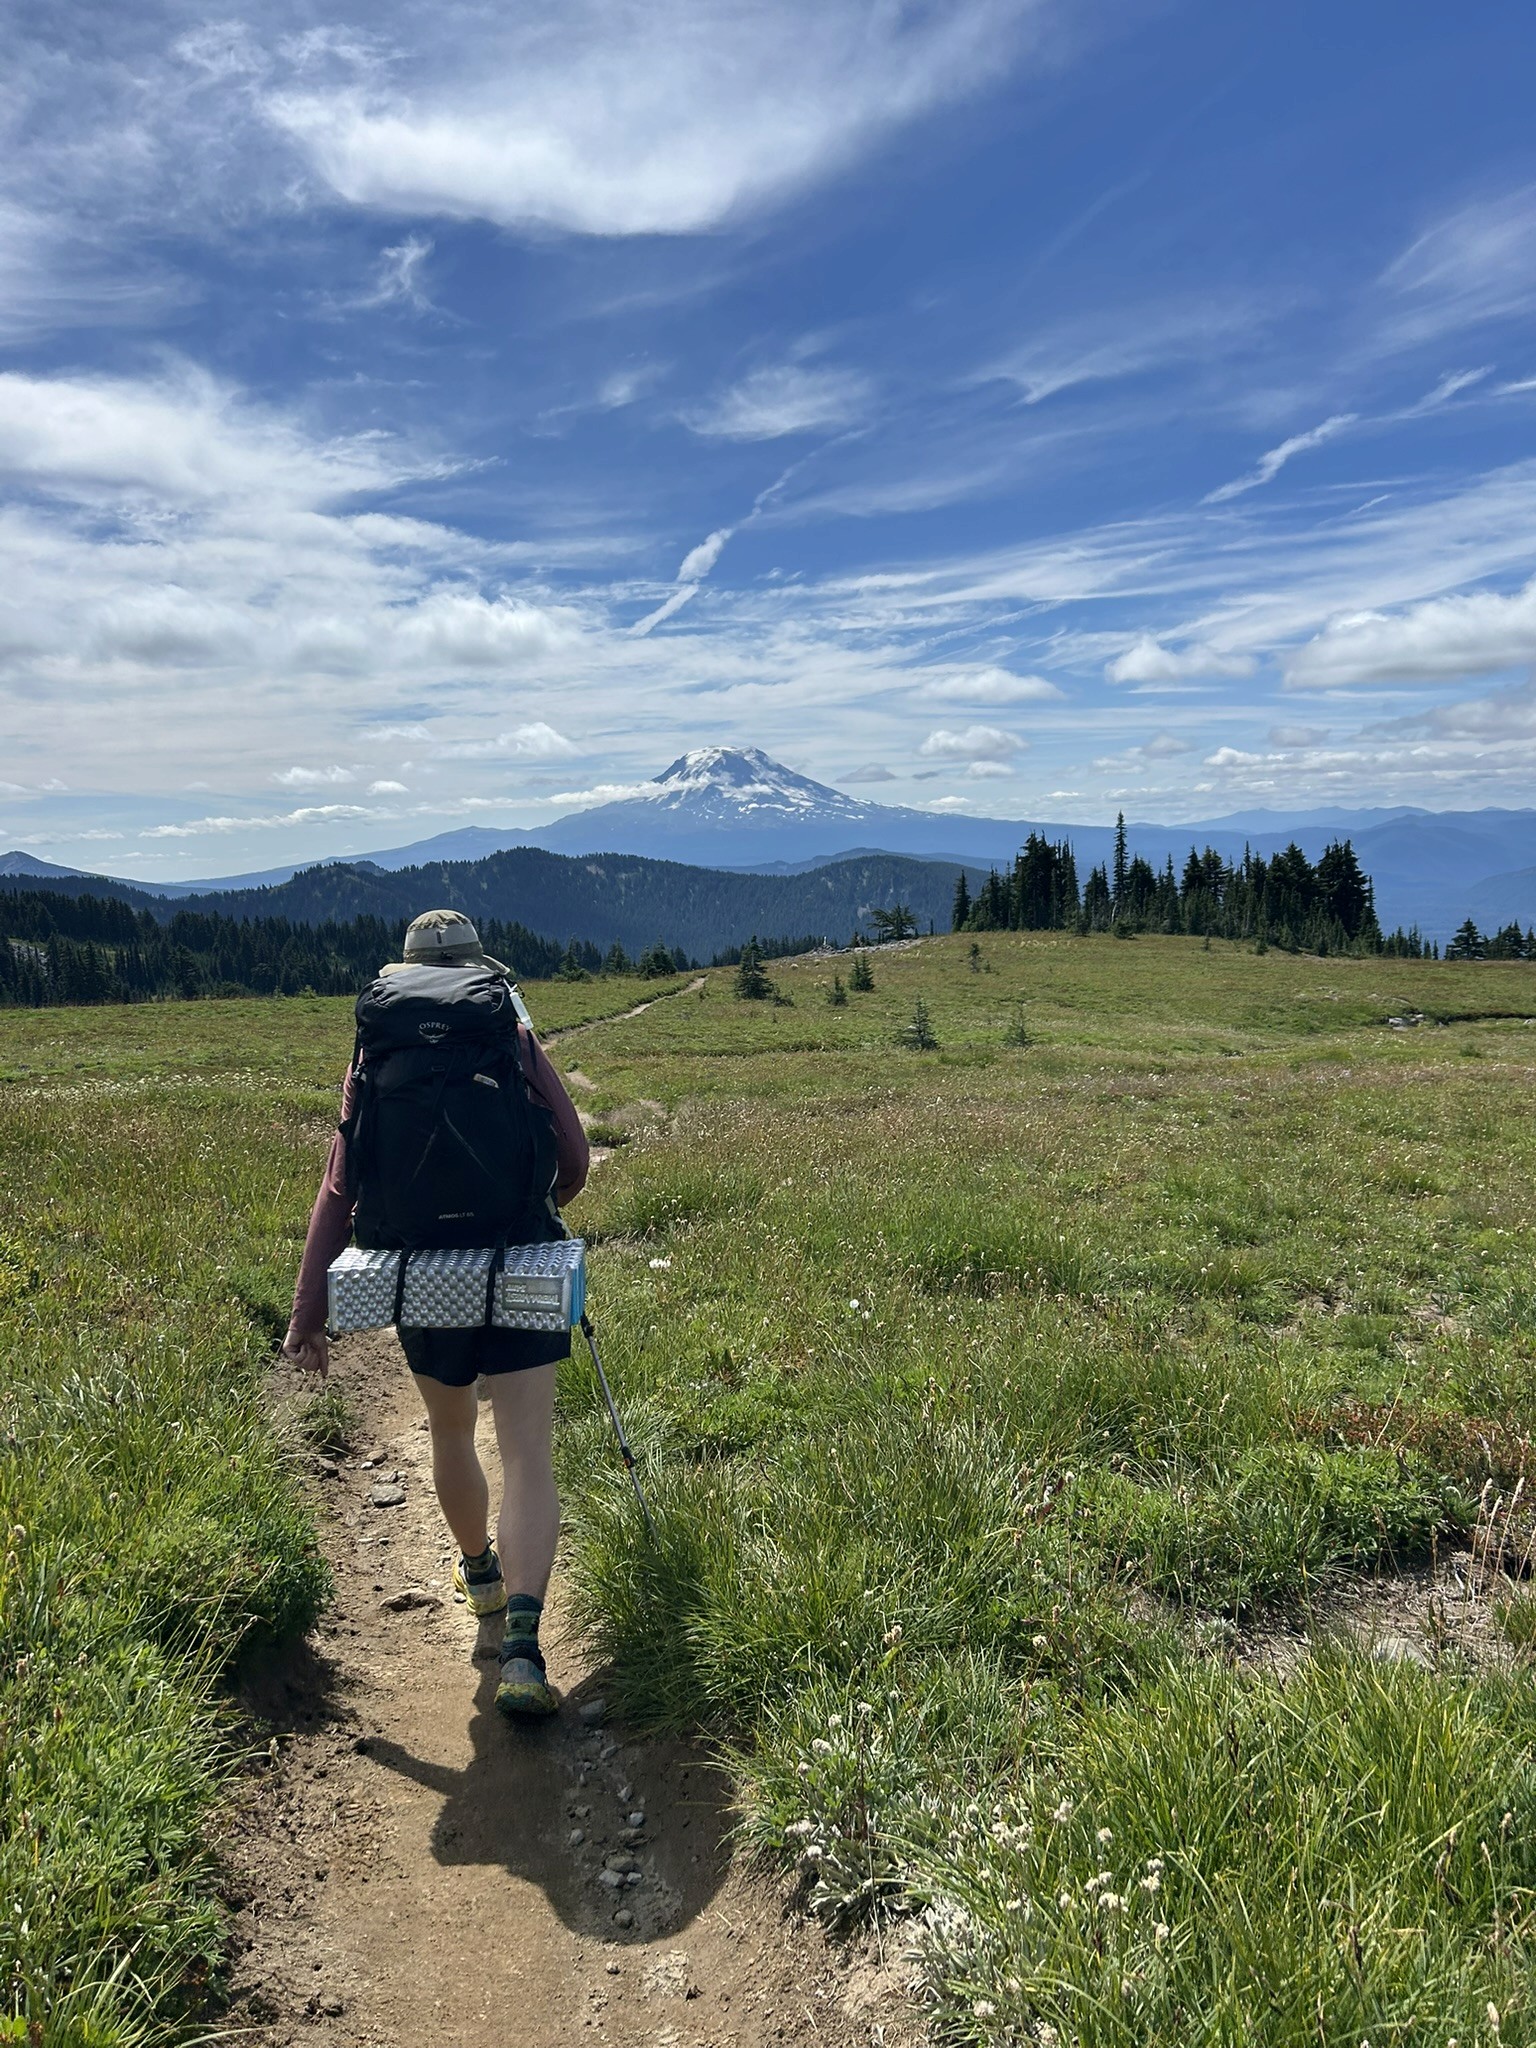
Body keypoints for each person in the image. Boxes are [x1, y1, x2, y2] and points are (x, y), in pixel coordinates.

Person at [283, 910, 590, 1720]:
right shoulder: (507, 1033)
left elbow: (340, 1189)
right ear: (479, 969)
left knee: (451, 1430)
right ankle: (524, 1649)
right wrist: (532, 1207)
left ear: (406, 970)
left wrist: (306, 1311)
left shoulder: (376, 1050)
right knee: (528, 1453)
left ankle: (480, 1575)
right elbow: (574, 1159)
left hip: (421, 1270)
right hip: (518, 1254)